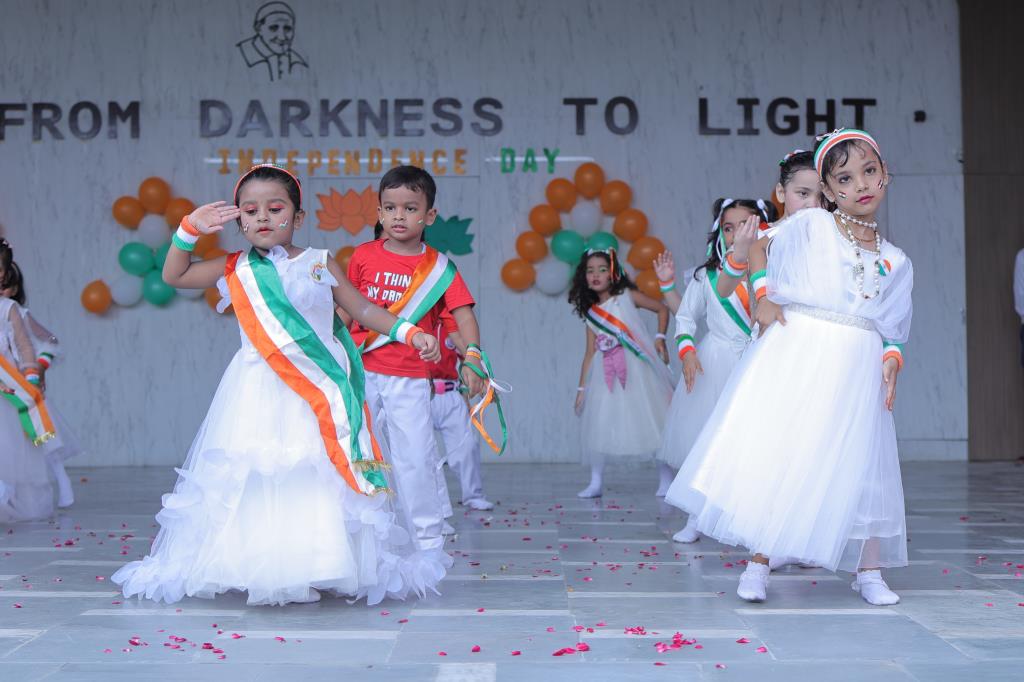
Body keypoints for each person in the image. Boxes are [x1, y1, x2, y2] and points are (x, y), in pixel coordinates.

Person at [113, 164, 450, 606]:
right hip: (257, 388)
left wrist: (410, 332)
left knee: (315, 474)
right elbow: (174, 276)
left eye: (275, 209)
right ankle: (259, 565)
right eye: (250, 211)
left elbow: (364, 310)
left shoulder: (319, 263)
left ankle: (319, 562)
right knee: (261, 471)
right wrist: (189, 229)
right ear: (239, 219)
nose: (263, 218)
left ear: (298, 216)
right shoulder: (235, 267)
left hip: (317, 390)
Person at [665, 128, 912, 606]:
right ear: (828, 189)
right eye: (844, 178)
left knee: (865, 462)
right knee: (790, 452)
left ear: (885, 175)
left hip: (858, 362)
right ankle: (759, 562)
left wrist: (891, 359)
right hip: (804, 348)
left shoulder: (896, 260)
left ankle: (869, 571)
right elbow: (757, 245)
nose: (860, 184)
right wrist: (762, 295)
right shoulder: (813, 226)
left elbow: (894, 325)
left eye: (869, 171)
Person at [346, 165, 486, 552]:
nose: (399, 216)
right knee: (361, 451)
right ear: (379, 212)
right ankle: (365, 532)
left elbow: (462, 317)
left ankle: (428, 539)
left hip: (408, 377)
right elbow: (346, 308)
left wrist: (473, 358)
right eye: (390, 208)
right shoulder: (362, 256)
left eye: (410, 208)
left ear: (429, 215)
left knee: (415, 457)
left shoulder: (440, 269)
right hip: (360, 371)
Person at [652, 198, 776, 525]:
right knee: (707, 444)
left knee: (758, 444)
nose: (736, 234)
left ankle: (754, 520)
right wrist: (688, 353)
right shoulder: (705, 277)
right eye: (729, 228)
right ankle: (696, 518)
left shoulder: (776, 273)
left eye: (746, 226)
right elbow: (685, 319)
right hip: (717, 364)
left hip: (762, 364)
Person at [569, 248, 674, 498]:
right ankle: (595, 482)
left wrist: (660, 337)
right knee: (599, 425)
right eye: (590, 271)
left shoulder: (627, 296)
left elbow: (662, 309)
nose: (595, 275)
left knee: (653, 419)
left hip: (638, 368)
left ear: (613, 273)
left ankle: (667, 478)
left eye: (602, 270)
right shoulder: (591, 313)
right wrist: (581, 389)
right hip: (605, 373)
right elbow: (589, 353)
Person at [0, 251, 80, 507]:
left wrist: (36, 371)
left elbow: (35, 344)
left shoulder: (12, 310)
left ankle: (58, 482)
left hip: (14, 383)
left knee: (36, 436)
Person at [429, 328, 494, 516]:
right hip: (421, 393)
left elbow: (468, 360)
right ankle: (431, 504)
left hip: (451, 393)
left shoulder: (451, 326)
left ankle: (473, 495)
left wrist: (472, 390)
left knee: (466, 446)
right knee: (423, 452)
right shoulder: (414, 320)